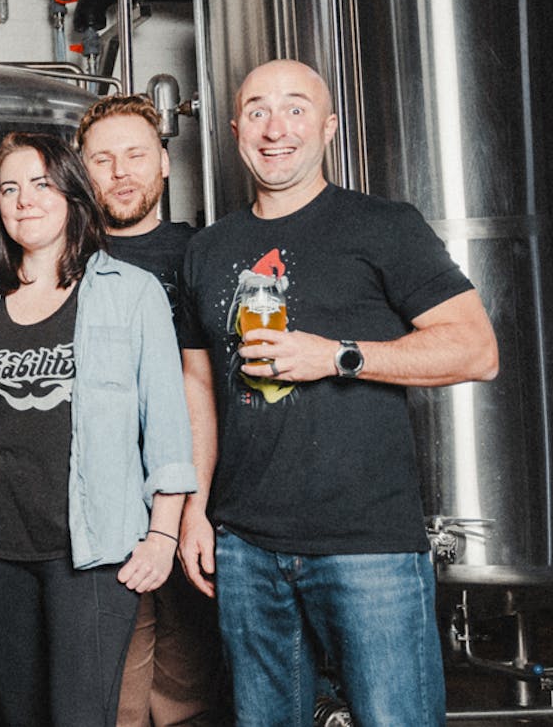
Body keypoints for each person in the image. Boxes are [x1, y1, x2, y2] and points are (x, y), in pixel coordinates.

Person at [179, 59, 498, 726]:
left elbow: (476, 348)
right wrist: (195, 513)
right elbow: (200, 386)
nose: (275, 128)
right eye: (258, 110)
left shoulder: (382, 225)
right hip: (246, 547)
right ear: (236, 128)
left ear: (327, 127)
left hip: (367, 545)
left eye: (296, 109)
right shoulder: (208, 250)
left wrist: (339, 356)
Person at [0, 132, 195, 726]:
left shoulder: (131, 294)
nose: (24, 200)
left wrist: (163, 535)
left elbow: (168, 425)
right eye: (9, 189)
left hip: (92, 554)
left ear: (72, 192)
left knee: (79, 718)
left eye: (41, 184)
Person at [74, 94, 227, 727]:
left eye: (137, 154)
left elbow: (207, 386)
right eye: (102, 159)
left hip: (198, 511)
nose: (121, 172)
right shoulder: (61, 260)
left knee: (194, 696)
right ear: (80, 172)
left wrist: (194, 511)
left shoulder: (207, 253)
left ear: (165, 162)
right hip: (101, 519)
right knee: (115, 699)